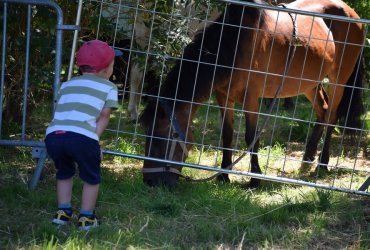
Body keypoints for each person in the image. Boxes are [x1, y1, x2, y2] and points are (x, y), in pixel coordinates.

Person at [45, 40, 120, 230]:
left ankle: (63, 212)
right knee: (91, 177)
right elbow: (104, 116)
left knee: (64, 173)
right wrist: (94, 141)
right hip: (81, 138)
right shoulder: (109, 87)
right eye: (112, 65)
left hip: (54, 136)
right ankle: (86, 218)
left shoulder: (66, 84)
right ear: (105, 69)